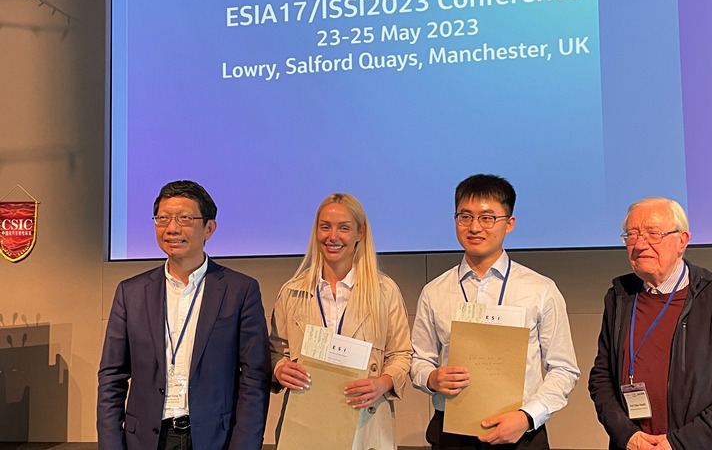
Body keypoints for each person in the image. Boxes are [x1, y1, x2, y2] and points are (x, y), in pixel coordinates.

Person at [410, 174, 580, 449]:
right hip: (452, 431)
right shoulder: (435, 291)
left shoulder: (540, 289)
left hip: (521, 433)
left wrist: (527, 417)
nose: (475, 227)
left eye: (487, 218)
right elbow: (419, 359)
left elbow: (564, 369)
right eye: (465, 217)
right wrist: (430, 378)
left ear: (509, 223)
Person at [97, 180, 269, 450]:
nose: (172, 228)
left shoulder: (240, 290)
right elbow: (111, 376)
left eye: (184, 218)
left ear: (209, 228)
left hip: (215, 439)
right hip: (146, 439)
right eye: (163, 218)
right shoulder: (130, 292)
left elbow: (254, 378)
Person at [588, 197, 712, 450]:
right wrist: (627, 435)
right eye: (631, 235)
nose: (640, 244)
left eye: (653, 234)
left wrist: (679, 443)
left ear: (682, 241)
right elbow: (601, 378)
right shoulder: (619, 297)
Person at [269, 193, 412, 450]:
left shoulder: (385, 291)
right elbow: (274, 351)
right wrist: (279, 368)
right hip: (305, 421)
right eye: (325, 227)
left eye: (343, 228)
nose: (332, 237)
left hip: (364, 422)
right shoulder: (292, 291)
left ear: (360, 233)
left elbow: (401, 354)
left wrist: (382, 383)